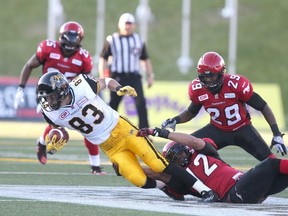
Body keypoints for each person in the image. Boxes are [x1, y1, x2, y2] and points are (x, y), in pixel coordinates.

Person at [36, 71, 218, 202]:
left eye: (51, 97)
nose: (48, 102)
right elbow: (58, 128)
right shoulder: (49, 111)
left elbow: (106, 82)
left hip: (122, 129)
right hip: (109, 146)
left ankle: (204, 190)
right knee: (138, 179)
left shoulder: (81, 85)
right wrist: (57, 137)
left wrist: (119, 88)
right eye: (46, 98)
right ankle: (169, 187)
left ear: (62, 90)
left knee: (157, 163)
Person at [13, 21, 105, 175]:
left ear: (79, 39)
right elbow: (29, 65)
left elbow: (88, 80)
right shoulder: (48, 48)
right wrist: (21, 89)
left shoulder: (84, 58)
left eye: (73, 36)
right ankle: (42, 144)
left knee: (87, 124)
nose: (70, 40)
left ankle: (94, 166)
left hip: (71, 95)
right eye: (67, 36)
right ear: (61, 36)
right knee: (57, 123)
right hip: (48, 95)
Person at [161, 51, 286, 161]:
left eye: (212, 76)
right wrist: (175, 120)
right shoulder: (197, 89)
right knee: (179, 148)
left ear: (221, 73)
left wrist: (276, 134)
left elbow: (262, 106)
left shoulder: (236, 84)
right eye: (205, 77)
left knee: (271, 162)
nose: (209, 81)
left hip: (243, 129)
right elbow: (191, 112)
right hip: (217, 130)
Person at [137, 127, 288, 203]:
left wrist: (161, 132)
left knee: (283, 175)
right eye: (174, 158)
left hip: (246, 187)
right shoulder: (181, 177)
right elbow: (158, 174)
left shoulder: (206, 152)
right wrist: (127, 168)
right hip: (234, 193)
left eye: (180, 153)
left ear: (185, 149)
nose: (180, 158)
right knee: (271, 164)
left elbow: (194, 141)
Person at [98, 12, 154, 129]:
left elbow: (145, 59)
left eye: (130, 24)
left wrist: (150, 75)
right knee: (112, 106)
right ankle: (106, 129)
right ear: (120, 25)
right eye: (125, 24)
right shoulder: (112, 39)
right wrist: (104, 77)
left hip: (134, 77)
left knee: (141, 105)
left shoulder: (139, 40)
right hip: (117, 77)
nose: (128, 26)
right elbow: (103, 58)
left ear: (134, 25)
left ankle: (144, 131)